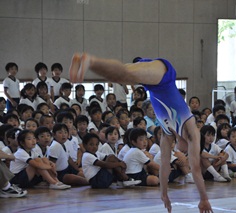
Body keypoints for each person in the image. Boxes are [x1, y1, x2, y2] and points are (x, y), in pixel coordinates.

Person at [69, 53, 213, 213]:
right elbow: (196, 168)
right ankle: (90, 61)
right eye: (186, 151)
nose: (182, 151)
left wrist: (164, 193)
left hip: (151, 85)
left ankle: (89, 62)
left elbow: (164, 166)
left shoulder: (167, 135)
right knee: (124, 73)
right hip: (164, 75)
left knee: (121, 77)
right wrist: (204, 198)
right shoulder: (192, 131)